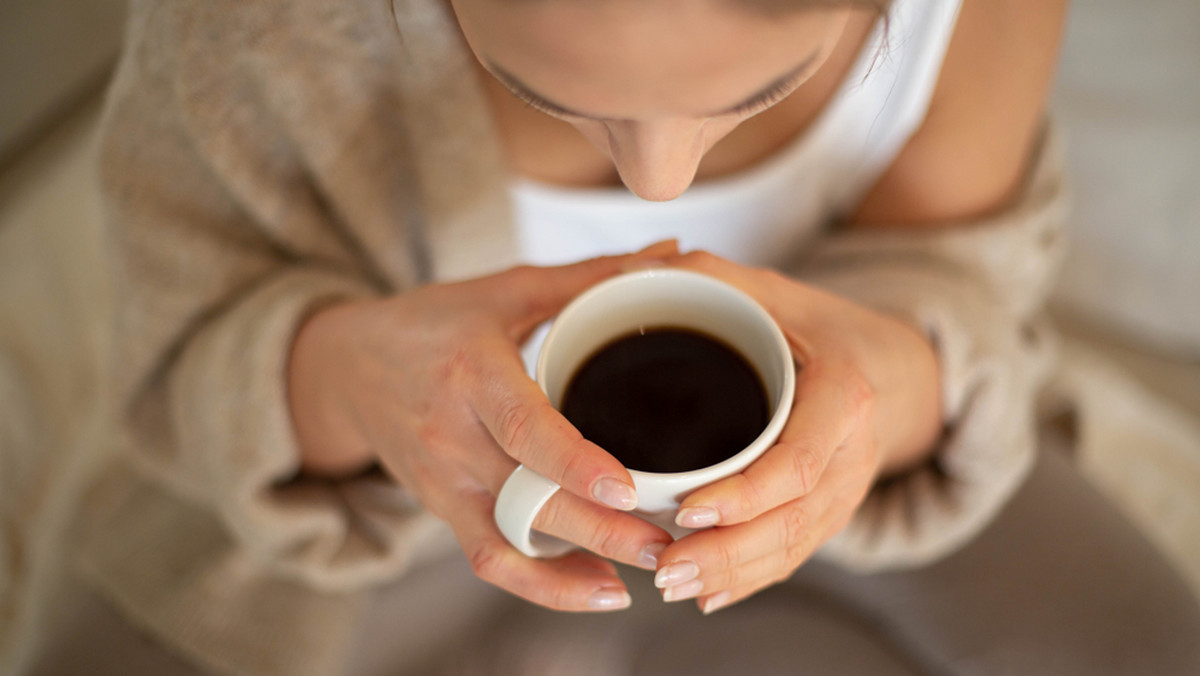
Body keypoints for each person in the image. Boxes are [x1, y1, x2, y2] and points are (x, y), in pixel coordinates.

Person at [24, 0, 1200, 674]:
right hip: (366, 503)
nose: (657, 190)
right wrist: (353, 377)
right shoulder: (256, 30)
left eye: (762, 91)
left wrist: (884, 391)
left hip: (856, 487)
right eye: (544, 91)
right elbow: (178, 353)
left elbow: (960, 281)